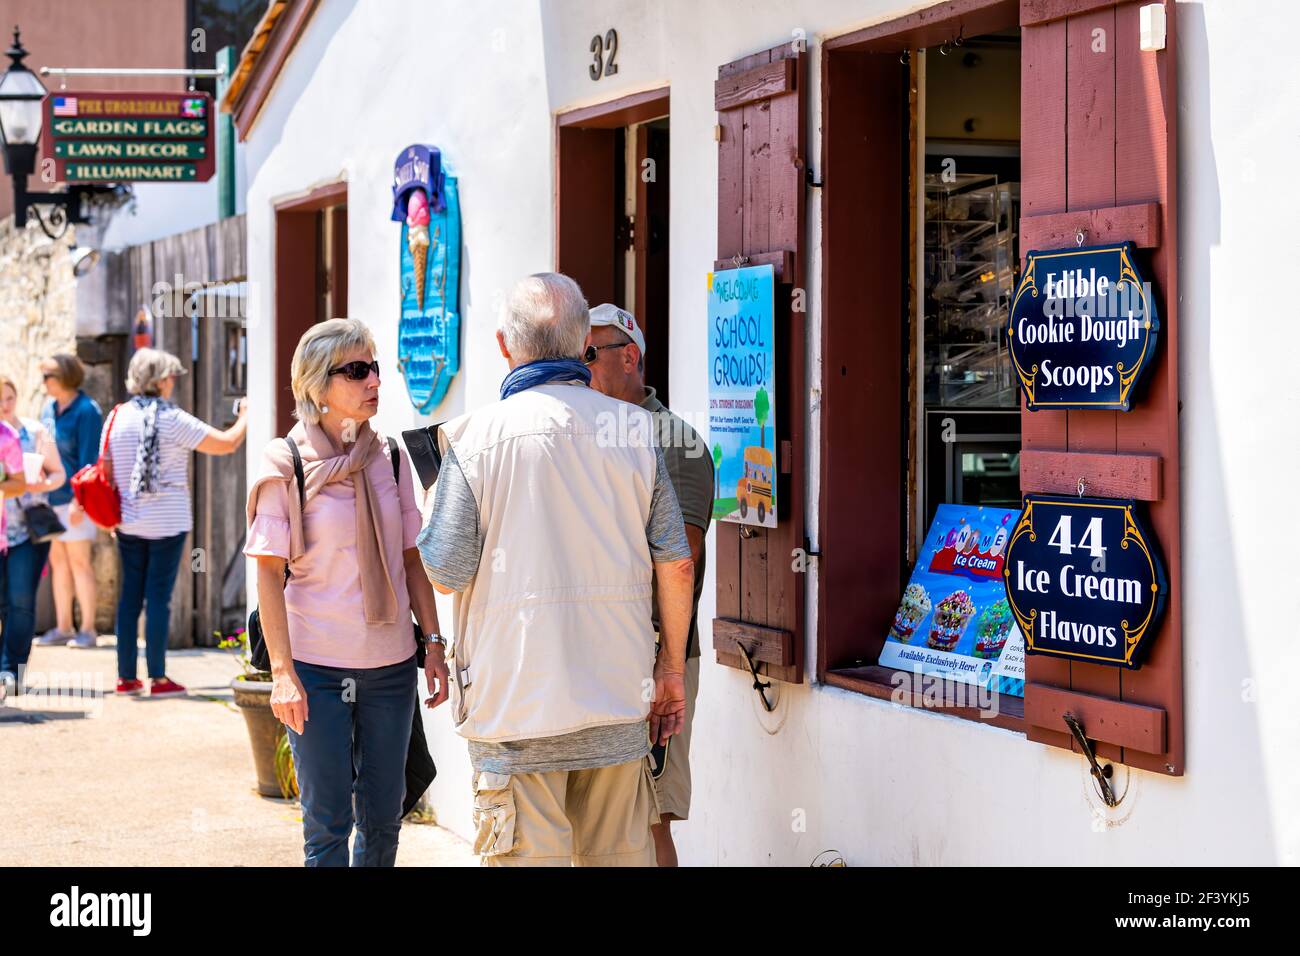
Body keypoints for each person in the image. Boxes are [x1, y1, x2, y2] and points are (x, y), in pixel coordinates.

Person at [417, 272, 695, 867]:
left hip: (514, 713)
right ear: (582, 349)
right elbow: (675, 562)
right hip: (617, 706)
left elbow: (445, 570)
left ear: (503, 346)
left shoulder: (471, 439)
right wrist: (670, 670)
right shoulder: (637, 431)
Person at [245, 318, 447, 868]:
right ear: (316, 384)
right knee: (327, 824)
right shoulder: (285, 460)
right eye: (357, 371)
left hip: (391, 667)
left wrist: (433, 645)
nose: (373, 381)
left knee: (383, 820)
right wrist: (282, 674)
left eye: (375, 368)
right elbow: (267, 572)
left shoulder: (393, 456)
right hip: (315, 669)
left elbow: (412, 557)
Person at [584, 303, 714, 867]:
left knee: (648, 816)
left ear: (629, 356)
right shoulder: (595, 434)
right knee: (600, 818)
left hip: (656, 661)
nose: (578, 368)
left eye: (588, 355)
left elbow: (678, 561)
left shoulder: (672, 440)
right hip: (606, 655)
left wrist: (668, 667)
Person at [107, 349, 249, 697]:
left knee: (129, 598)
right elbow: (226, 444)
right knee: (158, 598)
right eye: (171, 376)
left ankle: (126, 677)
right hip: (168, 523)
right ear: (159, 381)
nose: (173, 383)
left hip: (128, 522)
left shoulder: (117, 417)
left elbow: (108, 472)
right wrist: (247, 415)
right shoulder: (171, 419)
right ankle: (158, 677)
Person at [32, 354, 102, 649]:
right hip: (50, 498)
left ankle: (87, 629)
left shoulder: (87, 411)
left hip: (76, 500)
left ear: (64, 376)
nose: (43, 382)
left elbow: (90, 459)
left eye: (48, 376)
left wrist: (79, 501)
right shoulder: (48, 408)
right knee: (58, 563)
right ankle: (63, 626)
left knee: (80, 563)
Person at [0, 377, 66, 685]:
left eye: (10, 397)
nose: (5, 404)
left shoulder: (35, 432)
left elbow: (59, 475)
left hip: (26, 530)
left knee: (21, 601)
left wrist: (41, 483)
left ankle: (13, 670)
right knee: (4, 602)